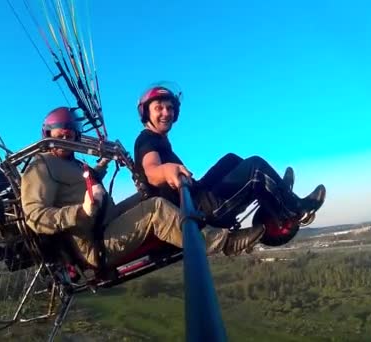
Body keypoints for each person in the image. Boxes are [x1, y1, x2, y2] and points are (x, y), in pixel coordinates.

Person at [20, 107, 262, 271]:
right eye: (60, 130)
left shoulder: (70, 162)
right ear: (48, 133)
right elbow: (36, 216)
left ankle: (192, 219)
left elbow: (81, 182)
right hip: (95, 243)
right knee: (155, 208)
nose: (66, 134)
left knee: (152, 194)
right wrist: (80, 212)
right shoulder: (40, 166)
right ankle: (223, 243)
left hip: (107, 219)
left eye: (70, 130)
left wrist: (102, 166)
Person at [133, 83, 326, 234]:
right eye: (159, 108)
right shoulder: (147, 140)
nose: (166, 113)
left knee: (231, 159)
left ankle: (276, 194)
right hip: (202, 210)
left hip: (196, 196)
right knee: (255, 166)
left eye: (169, 108)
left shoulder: (158, 140)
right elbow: (151, 170)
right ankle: (297, 209)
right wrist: (166, 171)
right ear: (146, 113)